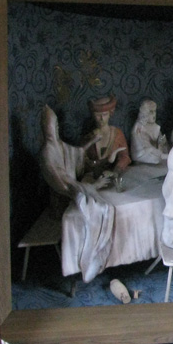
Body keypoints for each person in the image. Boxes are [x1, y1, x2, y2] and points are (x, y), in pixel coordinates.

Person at [39, 105, 115, 283]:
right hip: (63, 197)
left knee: (106, 208)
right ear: (45, 127)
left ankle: (98, 254)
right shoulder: (47, 152)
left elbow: (76, 152)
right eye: (52, 126)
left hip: (75, 189)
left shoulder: (58, 145)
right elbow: (61, 180)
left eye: (56, 125)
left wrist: (92, 141)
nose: (54, 129)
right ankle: (88, 259)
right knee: (96, 209)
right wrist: (91, 186)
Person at [82, 95, 131, 180]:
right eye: (98, 115)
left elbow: (124, 156)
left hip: (114, 174)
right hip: (94, 176)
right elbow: (83, 160)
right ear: (93, 115)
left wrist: (116, 171)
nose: (101, 118)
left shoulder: (117, 133)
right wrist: (95, 164)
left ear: (110, 114)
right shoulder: (89, 137)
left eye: (105, 114)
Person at [130, 98, 170, 164]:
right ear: (145, 113)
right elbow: (145, 147)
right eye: (151, 112)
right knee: (156, 159)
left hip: (153, 151)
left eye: (155, 111)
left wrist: (162, 142)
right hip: (141, 153)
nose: (154, 115)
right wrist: (159, 153)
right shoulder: (139, 127)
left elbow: (160, 142)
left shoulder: (155, 126)